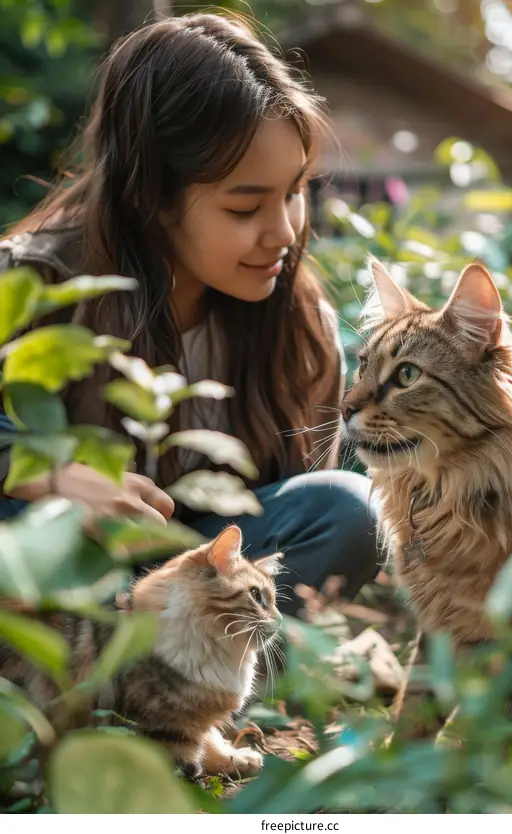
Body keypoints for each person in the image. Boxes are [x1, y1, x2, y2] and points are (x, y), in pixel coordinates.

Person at [0, 12, 379, 616]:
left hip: (197, 612)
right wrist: (56, 478)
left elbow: (294, 528)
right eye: (243, 208)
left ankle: (192, 698)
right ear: (149, 195)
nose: (283, 231)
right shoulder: (32, 282)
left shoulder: (303, 331)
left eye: (296, 191)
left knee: (347, 509)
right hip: (55, 582)